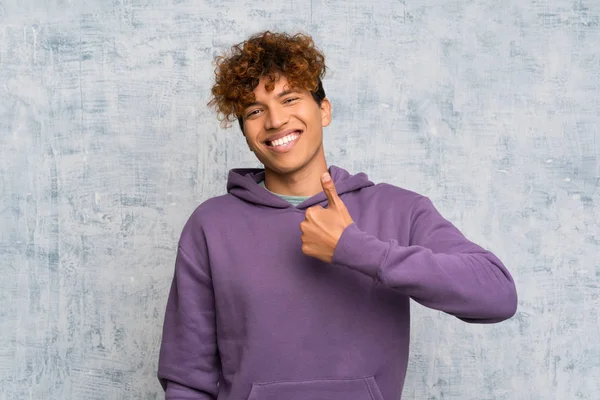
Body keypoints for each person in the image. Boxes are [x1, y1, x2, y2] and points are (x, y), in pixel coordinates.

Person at [157, 31, 517, 400]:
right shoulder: (211, 225)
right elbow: (188, 379)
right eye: (254, 110)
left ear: (323, 110)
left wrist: (357, 249)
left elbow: (497, 295)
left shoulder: (398, 209)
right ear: (246, 132)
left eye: (290, 98)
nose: (275, 120)